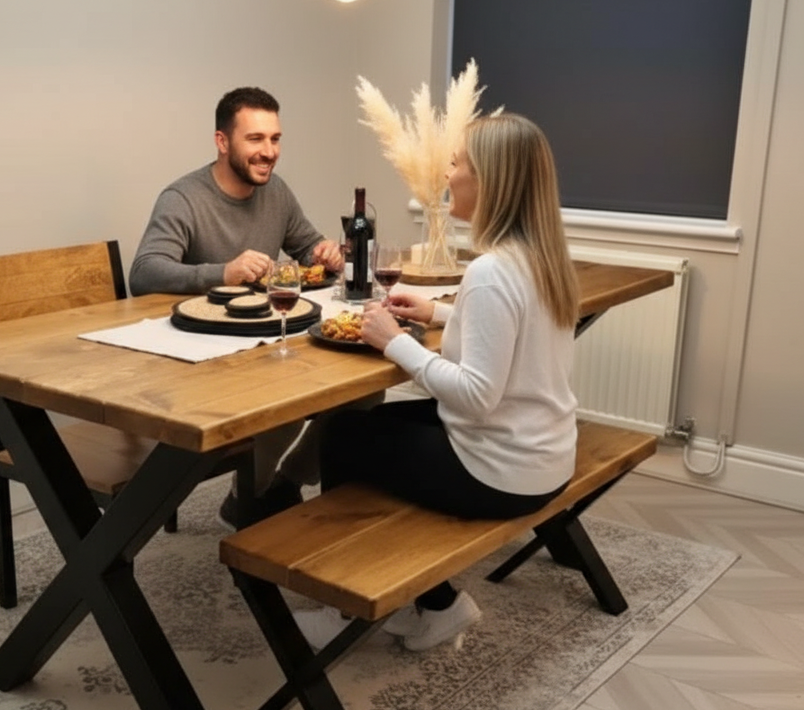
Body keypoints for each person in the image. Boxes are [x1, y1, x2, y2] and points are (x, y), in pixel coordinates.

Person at [294, 114, 581, 652]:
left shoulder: (491, 271)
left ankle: (347, 609)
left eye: (457, 163)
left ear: (489, 180)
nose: (448, 174)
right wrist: (436, 313)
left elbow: (476, 394)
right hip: (545, 457)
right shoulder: (541, 258)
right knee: (371, 425)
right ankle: (435, 602)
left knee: (341, 438)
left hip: (498, 472)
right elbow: (515, 336)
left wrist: (391, 340)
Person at [129, 86, 354, 527]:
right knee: (287, 402)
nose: (268, 152)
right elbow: (144, 272)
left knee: (363, 395)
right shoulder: (183, 198)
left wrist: (324, 253)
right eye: (255, 139)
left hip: (262, 341)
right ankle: (251, 499)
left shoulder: (277, 192)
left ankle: (283, 485)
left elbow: (306, 245)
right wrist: (222, 272)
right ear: (222, 141)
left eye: (275, 139)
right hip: (200, 359)